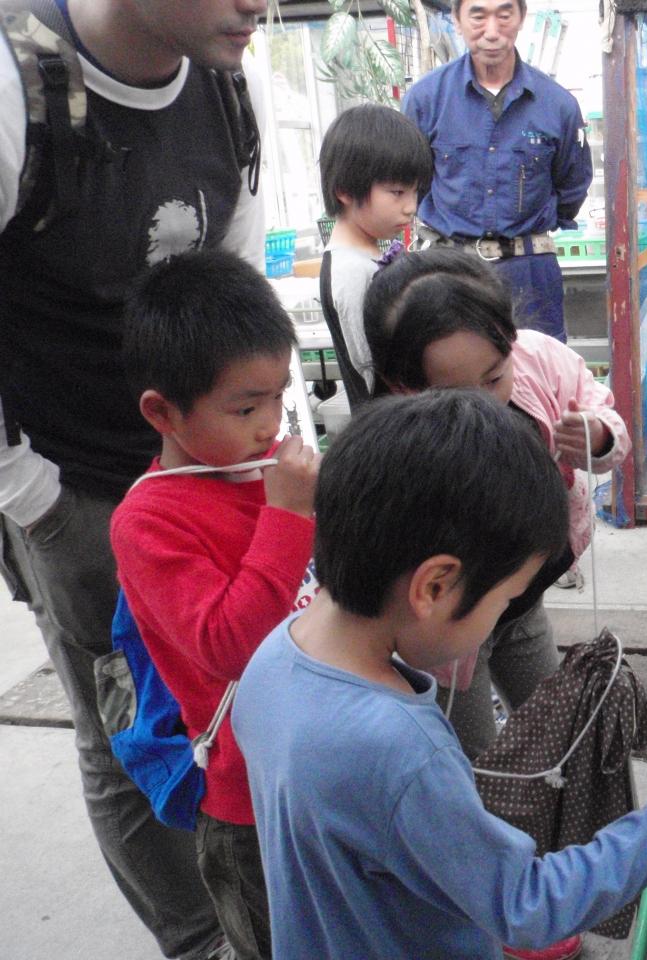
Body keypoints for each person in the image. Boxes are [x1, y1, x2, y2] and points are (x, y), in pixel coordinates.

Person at [232, 390, 647, 960]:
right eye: (506, 600)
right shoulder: (399, 751)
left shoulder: (274, 657)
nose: (503, 615)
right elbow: (526, 905)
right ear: (434, 587)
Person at [0, 2, 267, 957]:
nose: (260, 5)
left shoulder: (227, 79)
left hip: (202, 468)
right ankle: (199, 941)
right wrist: (32, 497)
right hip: (71, 488)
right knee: (122, 725)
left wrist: (250, 447)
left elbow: (236, 271)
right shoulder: (18, 81)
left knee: (222, 686)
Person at [110, 250, 320, 960]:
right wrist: (288, 517)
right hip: (249, 799)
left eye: (279, 397)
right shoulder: (149, 522)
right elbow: (230, 646)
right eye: (246, 407)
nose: (271, 425)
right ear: (162, 412)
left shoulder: (263, 472)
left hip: (324, 761)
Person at [363, 247, 631, 761]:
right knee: (478, 760)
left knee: (555, 732)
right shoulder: (400, 460)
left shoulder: (539, 361)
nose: (487, 405)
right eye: (459, 395)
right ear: (404, 387)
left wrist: (596, 436)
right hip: (452, 641)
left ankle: (551, 798)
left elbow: (602, 411)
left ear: (510, 340)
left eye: (494, 378)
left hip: (523, 604)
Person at [401, 0, 593, 342]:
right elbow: (412, 183)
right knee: (449, 369)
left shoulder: (558, 105)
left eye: (504, 15)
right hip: (448, 273)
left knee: (535, 370)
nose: (492, 31)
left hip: (530, 275)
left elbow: (572, 188)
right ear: (457, 19)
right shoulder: (425, 100)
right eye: (478, 15)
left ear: (521, 17)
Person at [317, 103, 433, 404]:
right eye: (397, 193)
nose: (411, 207)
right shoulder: (353, 271)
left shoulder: (364, 258)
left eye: (415, 192)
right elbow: (374, 373)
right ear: (344, 190)